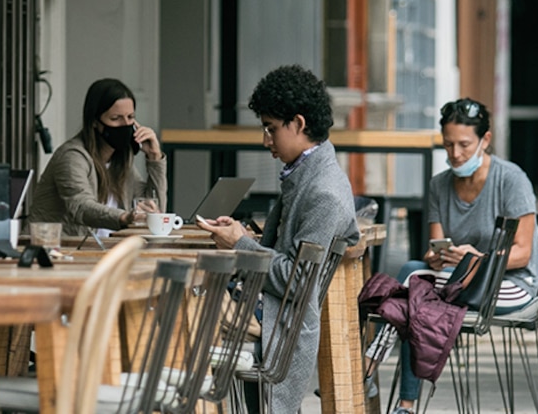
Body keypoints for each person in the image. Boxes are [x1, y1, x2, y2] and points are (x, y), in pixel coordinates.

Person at [196, 64, 359, 413]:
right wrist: (241, 236)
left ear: (298, 124)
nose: (265, 140)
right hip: (268, 310)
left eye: (271, 129)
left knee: (176, 321)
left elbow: (298, 283)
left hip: (280, 324)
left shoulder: (323, 193)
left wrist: (240, 244)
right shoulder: (307, 174)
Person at [389, 98, 537, 414]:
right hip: (459, 280)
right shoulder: (439, 185)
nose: (455, 154)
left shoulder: (511, 179)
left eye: (464, 145)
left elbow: (523, 254)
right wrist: (437, 258)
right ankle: (404, 403)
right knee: (412, 274)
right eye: (448, 145)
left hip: (509, 282)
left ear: (485, 140)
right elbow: (434, 246)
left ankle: (389, 386)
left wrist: (479, 259)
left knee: (415, 300)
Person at [30, 78, 167, 238]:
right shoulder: (72, 157)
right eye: (116, 119)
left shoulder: (120, 160)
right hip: (54, 250)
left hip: (100, 251)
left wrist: (154, 158)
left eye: (130, 117)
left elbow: (154, 210)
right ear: (95, 122)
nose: (125, 124)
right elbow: (80, 206)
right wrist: (124, 217)